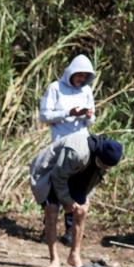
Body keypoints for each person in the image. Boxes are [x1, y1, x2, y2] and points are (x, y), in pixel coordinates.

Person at [30, 131, 124, 267]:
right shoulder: (77, 152)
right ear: (99, 155)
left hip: (74, 174)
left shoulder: (105, 158)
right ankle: (54, 259)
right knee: (52, 210)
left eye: (108, 167)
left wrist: (85, 199)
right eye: (104, 165)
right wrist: (67, 201)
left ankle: (74, 255)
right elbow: (58, 177)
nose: (106, 169)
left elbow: (93, 180)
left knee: (81, 210)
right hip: (51, 172)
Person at [39, 54, 97, 247]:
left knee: (77, 185)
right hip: (60, 144)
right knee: (55, 184)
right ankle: (49, 228)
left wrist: (87, 115)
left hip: (81, 145)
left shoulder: (86, 90)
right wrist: (68, 113)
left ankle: (71, 230)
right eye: (79, 75)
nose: (81, 79)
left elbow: (91, 120)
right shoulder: (55, 88)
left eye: (85, 76)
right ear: (71, 72)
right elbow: (44, 115)